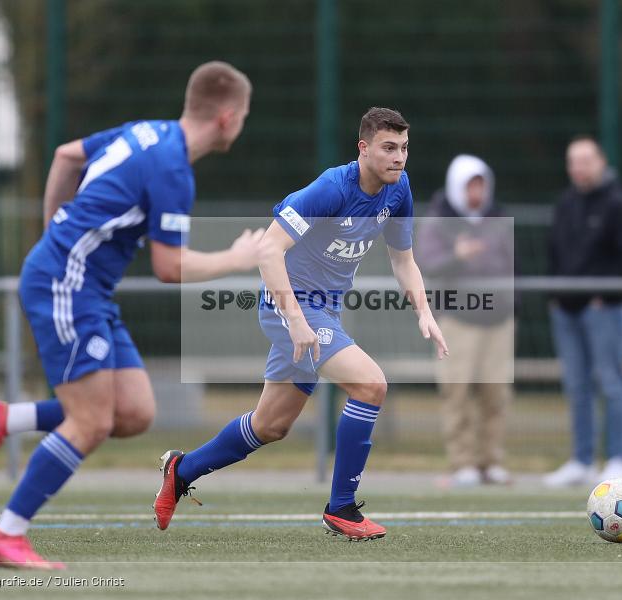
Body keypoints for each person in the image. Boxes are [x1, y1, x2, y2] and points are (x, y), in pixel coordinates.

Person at [0, 61, 263, 569]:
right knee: (91, 420)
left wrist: (54, 231)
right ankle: (6, 533)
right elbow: (169, 267)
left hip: (86, 287)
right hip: (69, 285)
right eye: (245, 115)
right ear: (227, 116)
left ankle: (2, 418)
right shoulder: (173, 170)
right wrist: (236, 259)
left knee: (133, 412)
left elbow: (65, 156)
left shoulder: (150, 132)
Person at [152, 107, 449, 541]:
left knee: (269, 426)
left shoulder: (398, 189)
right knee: (371, 385)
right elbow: (269, 251)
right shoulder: (330, 189)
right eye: (388, 148)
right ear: (363, 149)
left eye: (404, 148)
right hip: (287, 306)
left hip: (321, 314)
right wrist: (295, 319)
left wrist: (424, 311)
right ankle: (342, 509)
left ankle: (181, 471)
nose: (399, 157)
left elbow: (403, 260)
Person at [543, 136, 622, 487]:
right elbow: (554, 251)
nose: (579, 168)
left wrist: (605, 292)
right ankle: (582, 460)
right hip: (566, 309)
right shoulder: (566, 203)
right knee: (576, 385)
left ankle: (617, 457)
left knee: (610, 380)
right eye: (573, 161)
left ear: (601, 162)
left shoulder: (618, 205)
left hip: (604, 309)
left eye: (586, 160)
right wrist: (555, 294)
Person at [416, 154, 515, 487]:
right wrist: (457, 257)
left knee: (495, 394)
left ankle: (490, 461)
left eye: (481, 185)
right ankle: (463, 463)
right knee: (456, 393)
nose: (477, 193)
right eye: (470, 185)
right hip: (457, 319)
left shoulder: (497, 217)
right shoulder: (439, 220)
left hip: (498, 320)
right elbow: (426, 264)